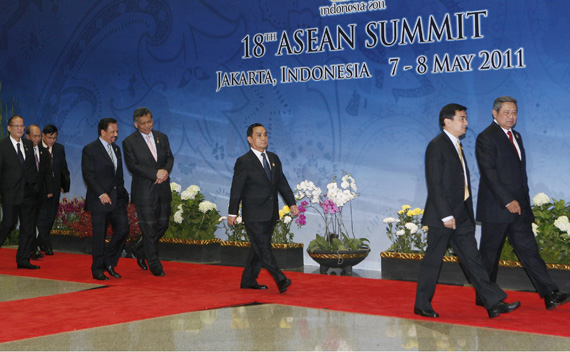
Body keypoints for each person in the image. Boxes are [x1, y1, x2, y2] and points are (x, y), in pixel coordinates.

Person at [414, 104, 520, 319]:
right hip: (443, 217)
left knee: (473, 260)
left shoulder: (456, 145)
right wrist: (446, 214)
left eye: (465, 118)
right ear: (447, 121)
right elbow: (434, 184)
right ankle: (422, 304)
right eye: (462, 118)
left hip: (461, 215)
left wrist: (462, 212)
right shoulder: (437, 145)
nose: (466, 123)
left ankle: (492, 302)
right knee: (433, 261)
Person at [476, 96, 570, 310]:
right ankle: (485, 296)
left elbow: (519, 174)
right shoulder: (486, 137)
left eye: (514, 112)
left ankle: (550, 294)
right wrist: (507, 200)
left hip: (520, 208)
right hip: (498, 207)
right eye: (506, 112)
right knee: (489, 255)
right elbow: (489, 173)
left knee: (529, 250)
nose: (511, 117)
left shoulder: (516, 135)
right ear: (494, 113)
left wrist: (523, 203)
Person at [228, 123, 298, 293]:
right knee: (264, 248)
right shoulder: (244, 161)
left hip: (270, 212)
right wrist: (232, 212)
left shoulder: (273, 159)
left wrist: (292, 203)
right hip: (253, 213)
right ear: (250, 139)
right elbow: (236, 188)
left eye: (265, 135)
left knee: (259, 247)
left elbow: (282, 183)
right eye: (259, 135)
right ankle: (280, 279)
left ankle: (248, 280)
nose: (263, 138)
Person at [123, 107, 174, 276]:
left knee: (163, 224)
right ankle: (154, 263)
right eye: (143, 123)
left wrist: (165, 171)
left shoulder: (162, 137)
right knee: (149, 228)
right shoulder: (129, 142)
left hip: (162, 189)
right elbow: (133, 166)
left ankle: (138, 249)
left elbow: (169, 158)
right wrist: (155, 173)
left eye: (149, 122)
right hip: (144, 191)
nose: (147, 126)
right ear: (136, 124)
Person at [81, 118, 129, 280]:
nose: (116, 134)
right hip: (99, 200)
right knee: (99, 236)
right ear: (102, 132)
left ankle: (109, 261)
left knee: (123, 229)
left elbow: (118, 175)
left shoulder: (116, 149)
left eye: (117, 131)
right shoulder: (90, 149)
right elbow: (88, 175)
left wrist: (123, 193)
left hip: (117, 199)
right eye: (112, 131)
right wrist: (101, 193)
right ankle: (97, 269)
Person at [0, 116, 51, 269]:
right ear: (9, 128)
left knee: (28, 227)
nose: (20, 129)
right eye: (16, 126)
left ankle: (22, 259)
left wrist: (35, 186)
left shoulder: (28, 144)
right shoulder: (2, 146)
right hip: (10, 193)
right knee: (8, 223)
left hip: (29, 193)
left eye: (22, 126)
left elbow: (31, 168)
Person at [35, 124, 70, 256]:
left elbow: (63, 169)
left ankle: (42, 241)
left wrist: (64, 185)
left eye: (54, 138)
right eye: (50, 138)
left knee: (51, 216)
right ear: (43, 136)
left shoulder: (59, 148)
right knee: (42, 216)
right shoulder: (36, 148)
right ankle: (46, 244)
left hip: (55, 187)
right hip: (41, 188)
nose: (52, 141)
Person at [25, 124, 54, 260]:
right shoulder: (23, 151)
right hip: (26, 193)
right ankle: (31, 248)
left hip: (40, 193)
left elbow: (48, 173)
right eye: (34, 136)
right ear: (28, 136)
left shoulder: (43, 152)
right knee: (28, 222)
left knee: (36, 220)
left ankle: (32, 247)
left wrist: (49, 190)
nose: (36, 139)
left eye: (38, 136)